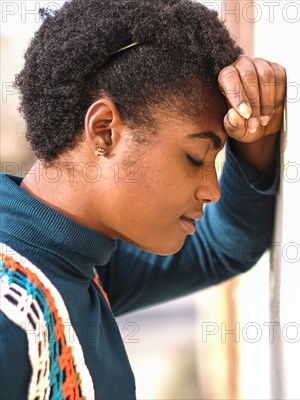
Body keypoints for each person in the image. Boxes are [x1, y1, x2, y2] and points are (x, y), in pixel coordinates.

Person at [0, 0, 285, 398]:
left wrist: (259, 132)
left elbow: (225, 246)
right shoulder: (13, 311)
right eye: (195, 157)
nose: (211, 189)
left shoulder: (81, 261)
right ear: (104, 131)